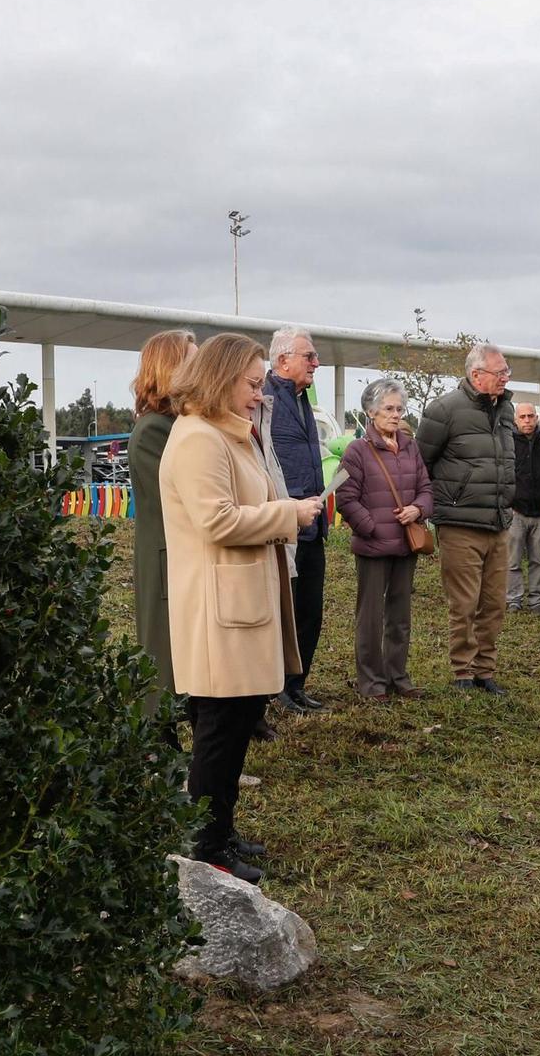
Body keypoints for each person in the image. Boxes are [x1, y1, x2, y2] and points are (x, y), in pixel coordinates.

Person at [161, 333, 324, 883]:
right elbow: (218, 521)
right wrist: (288, 515)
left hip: (238, 605)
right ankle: (205, 846)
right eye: (253, 385)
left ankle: (220, 830)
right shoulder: (198, 439)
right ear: (220, 379)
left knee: (232, 729)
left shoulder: (227, 435)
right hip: (218, 611)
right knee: (219, 732)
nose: (259, 395)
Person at [419, 341, 517, 696]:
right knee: (464, 603)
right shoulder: (444, 410)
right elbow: (422, 463)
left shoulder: (506, 411)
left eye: (507, 371)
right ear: (477, 374)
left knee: (493, 603)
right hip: (459, 523)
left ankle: (484, 670)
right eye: (500, 371)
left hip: (498, 522)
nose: (506, 377)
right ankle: (462, 670)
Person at [336, 379, 432, 702]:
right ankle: (372, 683)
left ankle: (397, 676)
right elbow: (344, 497)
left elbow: (427, 489)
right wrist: (371, 527)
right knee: (371, 619)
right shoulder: (356, 451)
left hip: (406, 546)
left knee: (400, 617)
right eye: (388, 409)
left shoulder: (410, 447)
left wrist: (417, 509)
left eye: (399, 409)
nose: (395, 415)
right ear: (371, 412)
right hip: (374, 548)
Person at [127, 328, 196, 736]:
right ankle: (163, 766)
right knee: (163, 673)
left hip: (180, 563)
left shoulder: (177, 426)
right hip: (167, 566)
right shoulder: (156, 430)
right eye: (192, 358)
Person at [260, 327, 328, 714]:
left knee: (309, 611)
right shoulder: (266, 401)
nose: (316, 363)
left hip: (312, 526)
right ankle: (276, 688)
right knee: (282, 613)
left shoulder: (303, 401)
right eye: (309, 356)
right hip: (284, 527)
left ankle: (297, 684)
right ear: (283, 360)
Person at [506, 400, 540, 614]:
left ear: (537, 418)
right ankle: (514, 598)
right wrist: (508, 505)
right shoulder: (508, 445)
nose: (527, 420)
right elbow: (504, 477)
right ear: (515, 420)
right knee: (513, 560)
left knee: (538, 560)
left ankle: (536, 600)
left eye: (531, 416)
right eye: (523, 417)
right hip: (516, 513)